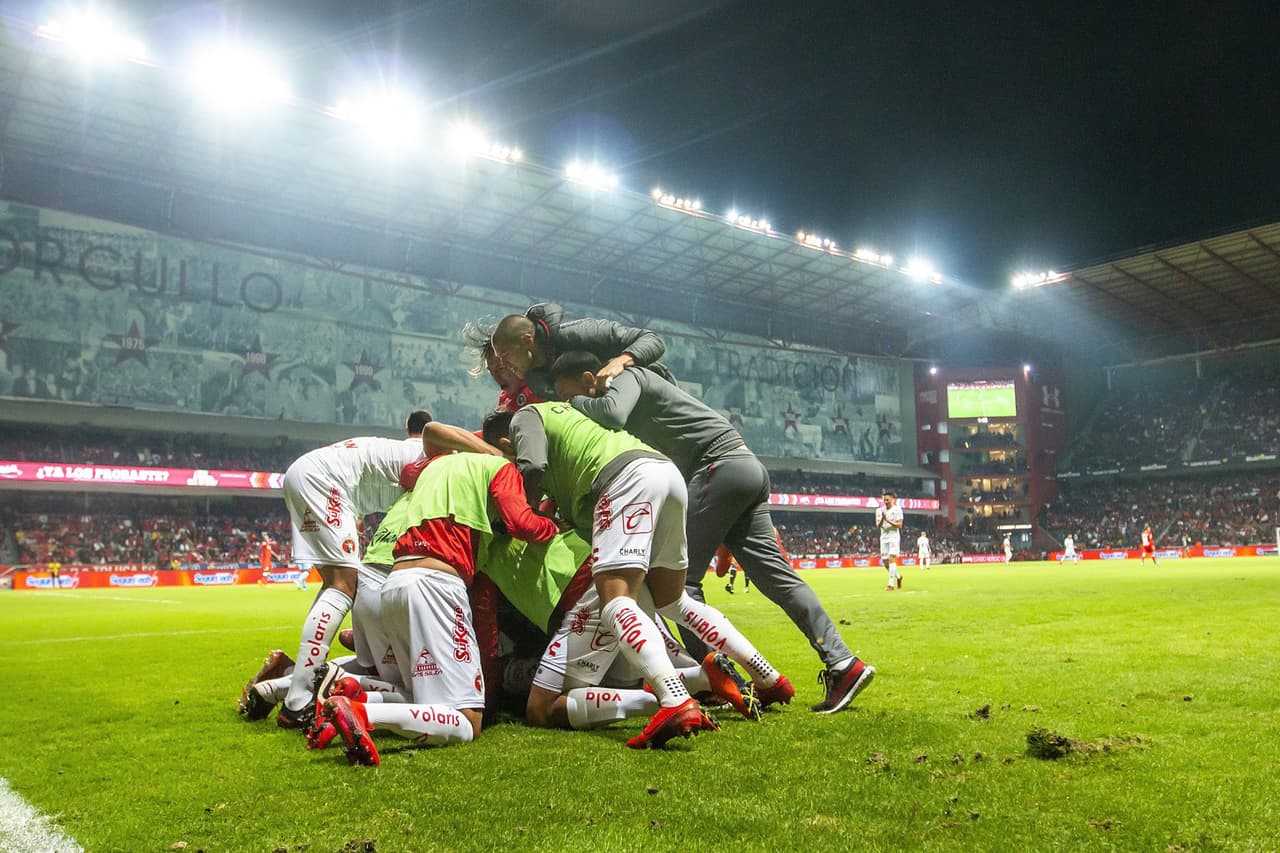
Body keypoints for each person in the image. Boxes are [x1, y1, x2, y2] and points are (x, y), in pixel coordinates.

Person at [550, 352, 874, 714]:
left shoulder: (628, 378)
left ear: (588, 377)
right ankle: (843, 664)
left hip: (716, 466)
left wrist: (571, 405)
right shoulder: (646, 395)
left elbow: (612, 413)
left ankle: (720, 682)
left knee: (676, 585)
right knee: (779, 578)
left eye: (569, 394)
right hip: (743, 465)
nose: (569, 404)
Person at [485, 405, 783, 747]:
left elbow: (531, 468)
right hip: (664, 474)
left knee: (544, 705)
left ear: (508, 443)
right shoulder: (571, 433)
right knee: (675, 600)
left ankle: (673, 699)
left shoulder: (525, 425)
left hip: (620, 491)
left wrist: (527, 504)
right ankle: (761, 676)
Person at [308, 451, 560, 765]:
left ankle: (356, 691)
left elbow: (421, 453)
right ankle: (361, 712)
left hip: (396, 580)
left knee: (420, 696)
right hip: (437, 582)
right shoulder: (500, 466)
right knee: (468, 721)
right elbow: (522, 523)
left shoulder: (433, 467)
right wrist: (552, 526)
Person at [274, 411, 432, 729]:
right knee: (344, 586)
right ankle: (298, 701)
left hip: (309, 474)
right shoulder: (427, 459)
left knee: (334, 584)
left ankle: (301, 679)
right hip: (325, 481)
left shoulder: (397, 451)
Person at [486, 302, 670, 401]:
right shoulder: (536, 381)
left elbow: (653, 340)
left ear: (526, 340)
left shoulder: (579, 333)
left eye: (505, 355)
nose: (504, 365)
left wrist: (619, 362)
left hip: (654, 396)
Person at [877, 491, 904, 590]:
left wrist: (887, 520)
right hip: (883, 538)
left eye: (887, 499)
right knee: (885, 563)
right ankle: (898, 577)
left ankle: (891, 584)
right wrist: (882, 520)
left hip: (893, 537)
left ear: (892, 499)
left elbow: (900, 525)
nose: (886, 501)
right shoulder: (879, 510)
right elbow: (878, 525)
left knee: (892, 558)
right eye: (884, 500)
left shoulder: (897, 510)